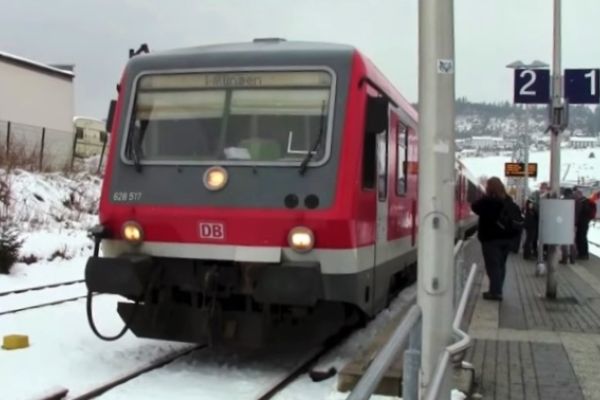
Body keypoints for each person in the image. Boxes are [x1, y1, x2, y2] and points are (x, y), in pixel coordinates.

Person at [471, 177, 523, 301]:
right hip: (507, 239)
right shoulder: (508, 200)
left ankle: (495, 292)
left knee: (492, 266)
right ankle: (497, 289)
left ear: (490, 188)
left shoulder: (487, 201)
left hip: (491, 240)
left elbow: (474, 207)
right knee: (501, 265)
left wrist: (485, 196)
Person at [575, 190, 594, 260]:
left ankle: (584, 254)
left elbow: (585, 211)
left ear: (579, 195)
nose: (575, 197)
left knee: (582, 238)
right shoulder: (584, 201)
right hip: (583, 222)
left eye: (576, 195)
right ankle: (582, 253)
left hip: (583, 223)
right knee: (580, 238)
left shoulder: (584, 202)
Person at [559, 188, 577, 264]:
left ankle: (564, 259)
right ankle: (573, 259)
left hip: (564, 223)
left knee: (564, 242)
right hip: (573, 223)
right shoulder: (576, 201)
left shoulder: (563, 201)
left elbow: (560, 212)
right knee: (572, 242)